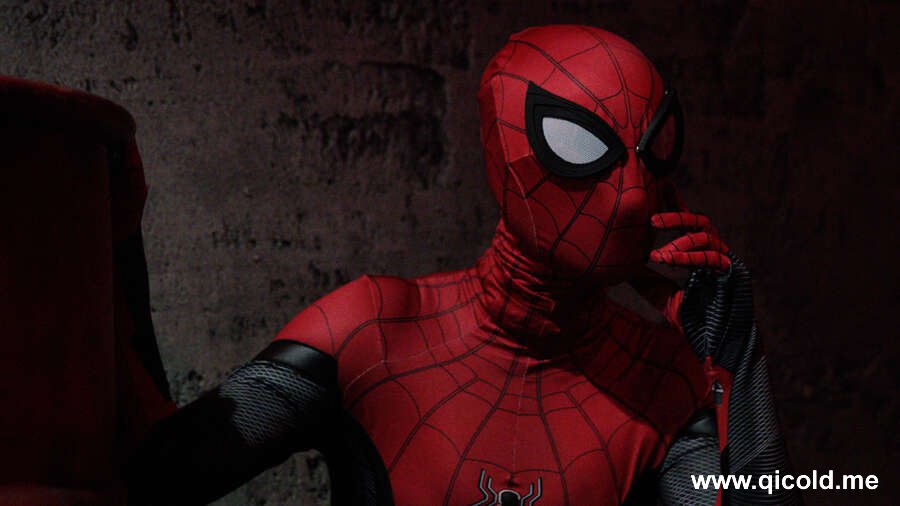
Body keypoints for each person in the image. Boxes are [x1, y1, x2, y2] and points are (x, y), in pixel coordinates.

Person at [126, 25, 801, 505]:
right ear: (502, 150)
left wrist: (737, 362)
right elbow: (147, 478)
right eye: (579, 142)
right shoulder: (375, 333)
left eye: (651, 149)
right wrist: (112, 242)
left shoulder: (660, 381)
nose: (630, 194)